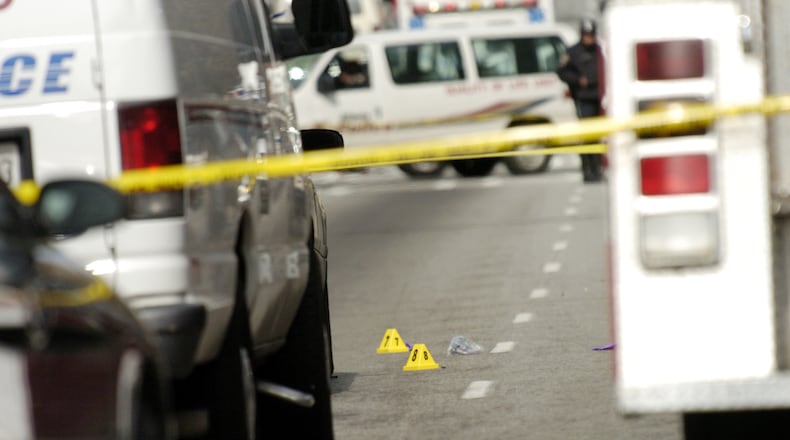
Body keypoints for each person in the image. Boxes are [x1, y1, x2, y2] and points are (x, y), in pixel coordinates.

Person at [557, 18, 604, 183]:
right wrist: (578, 80)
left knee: (598, 136)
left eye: (590, 35)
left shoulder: (600, 50)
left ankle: (598, 169)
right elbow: (561, 71)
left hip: (599, 98)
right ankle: (587, 170)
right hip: (583, 99)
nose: (588, 38)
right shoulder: (573, 52)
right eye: (586, 35)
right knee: (586, 137)